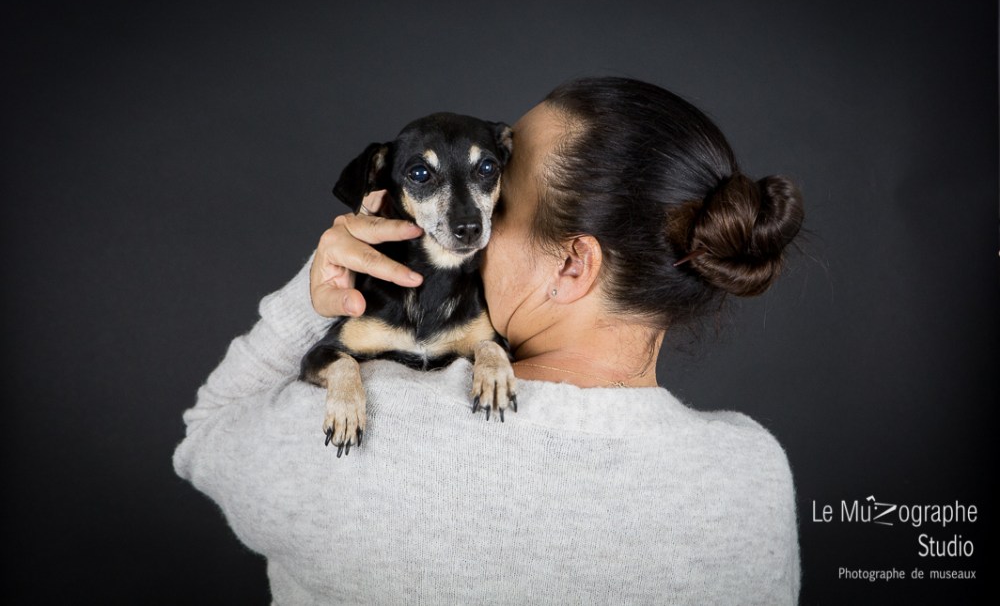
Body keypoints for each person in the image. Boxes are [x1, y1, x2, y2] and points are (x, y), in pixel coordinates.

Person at [174, 77, 805, 604]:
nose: (464, 224)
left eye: (494, 197)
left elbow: (206, 433)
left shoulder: (347, 432)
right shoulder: (753, 476)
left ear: (571, 266)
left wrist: (316, 295)